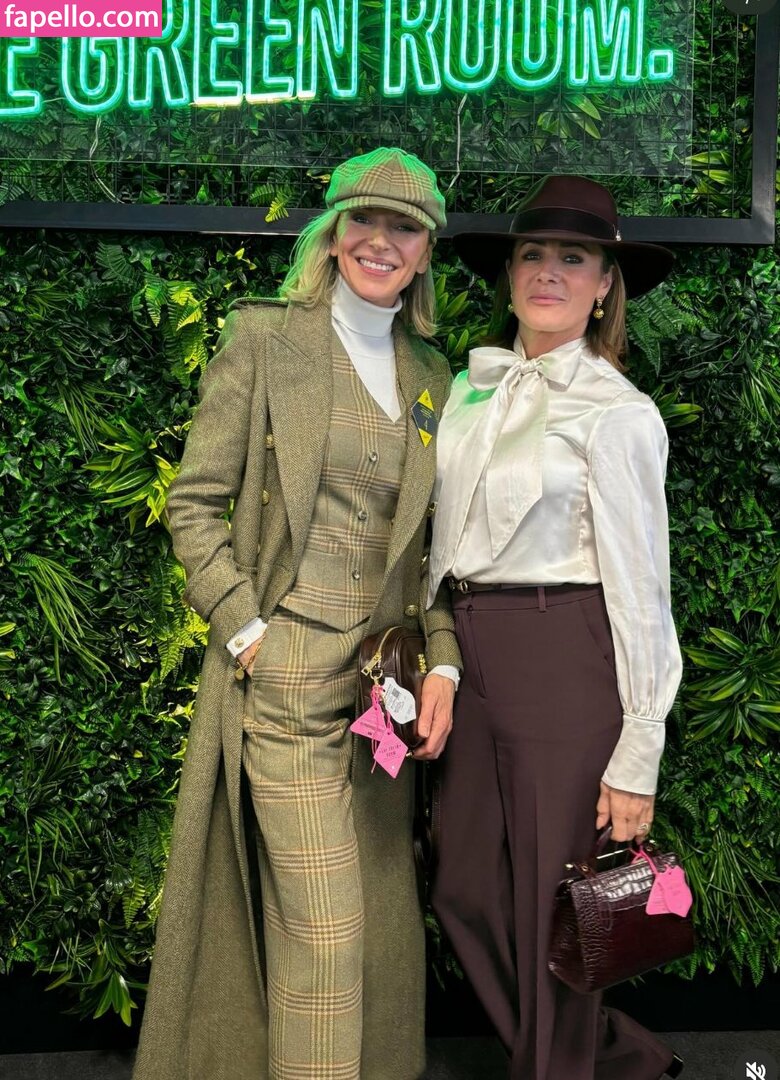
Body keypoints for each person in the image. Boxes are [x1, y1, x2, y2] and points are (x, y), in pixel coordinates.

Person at [132, 147, 461, 1080]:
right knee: (326, 935)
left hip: (382, 697)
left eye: (404, 228)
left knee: (373, 939)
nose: (381, 241)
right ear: (334, 231)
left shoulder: (433, 376)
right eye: (365, 220)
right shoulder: (264, 339)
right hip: (282, 687)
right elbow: (195, 503)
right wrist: (249, 633)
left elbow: (436, 550)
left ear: (426, 251)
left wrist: (442, 659)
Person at [428, 175, 684, 1080]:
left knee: (559, 901)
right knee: (463, 890)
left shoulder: (619, 413)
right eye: (533, 254)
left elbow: (644, 586)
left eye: (573, 259)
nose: (549, 272)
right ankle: (619, 1061)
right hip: (466, 654)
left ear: (605, 285)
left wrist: (639, 747)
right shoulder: (464, 391)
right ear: (509, 275)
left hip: (564, 652)